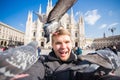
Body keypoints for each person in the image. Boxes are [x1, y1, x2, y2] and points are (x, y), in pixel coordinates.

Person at [10, 28, 120, 80]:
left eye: (67, 42)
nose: (63, 46)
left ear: (72, 43)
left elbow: (92, 74)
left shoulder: (82, 61)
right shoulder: (42, 61)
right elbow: (34, 71)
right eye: (58, 43)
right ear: (52, 45)